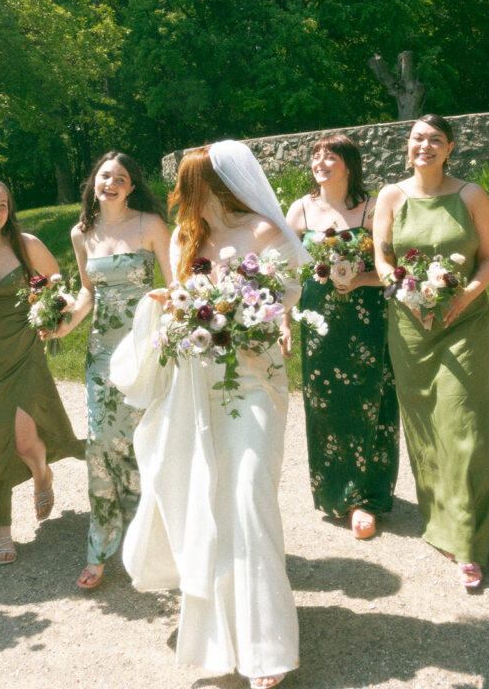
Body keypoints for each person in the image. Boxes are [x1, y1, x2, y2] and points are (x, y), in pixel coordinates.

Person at [110, 141, 310, 689]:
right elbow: (179, 298)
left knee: (248, 497)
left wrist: (243, 316)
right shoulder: (184, 237)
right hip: (198, 385)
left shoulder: (268, 235)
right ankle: (224, 633)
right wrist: (169, 305)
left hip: (254, 382)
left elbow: (282, 301)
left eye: (192, 188)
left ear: (219, 187)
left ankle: (269, 649)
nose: (184, 198)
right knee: (208, 499)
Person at [373, 115, 489, 589]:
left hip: (462, 321)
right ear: (407, 146)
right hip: (408, 325)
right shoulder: (391, 195)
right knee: (426, 423)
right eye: (417, 139)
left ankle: (469, 541)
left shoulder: (471, 195)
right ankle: (442, 521)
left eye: (435, 141)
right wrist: (405, 293)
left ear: (449, 148)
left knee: (465, 424)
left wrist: (463, 296)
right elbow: (383, 256)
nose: (424, 146)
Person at [44, 151, 172, 591]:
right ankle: (99, 546)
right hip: (102, 354)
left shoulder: (151, 225)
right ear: (93, 183)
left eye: (121, 177)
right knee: (100, 444)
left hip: (147, 349)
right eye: (105, 176)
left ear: (132, 185)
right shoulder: (82, 232)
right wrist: (64, 322)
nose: (111, 183)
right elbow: (86, 292)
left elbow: (174, 288)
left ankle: (147, 542)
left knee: (143, 441)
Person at [0, 179, 84, 564]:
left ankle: (42, 474)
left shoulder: (27, 246)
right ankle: (1, 528)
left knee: (25, 443)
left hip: (24, 351)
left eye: (2, 205)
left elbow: (58, 283)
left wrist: (53, 306)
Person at [282, 136, 399, 539]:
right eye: (315, 155)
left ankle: (368, 497)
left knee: (372, 403)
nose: (320, 161)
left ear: (349, 164)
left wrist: (359, 279)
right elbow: (283, 269)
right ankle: (336, 493)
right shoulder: (299, 209)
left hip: (366, 320)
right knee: (324, 404)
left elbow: (391, 268)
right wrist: (283, 318)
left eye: (330, 155)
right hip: (319, 326)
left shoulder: (370, 209)